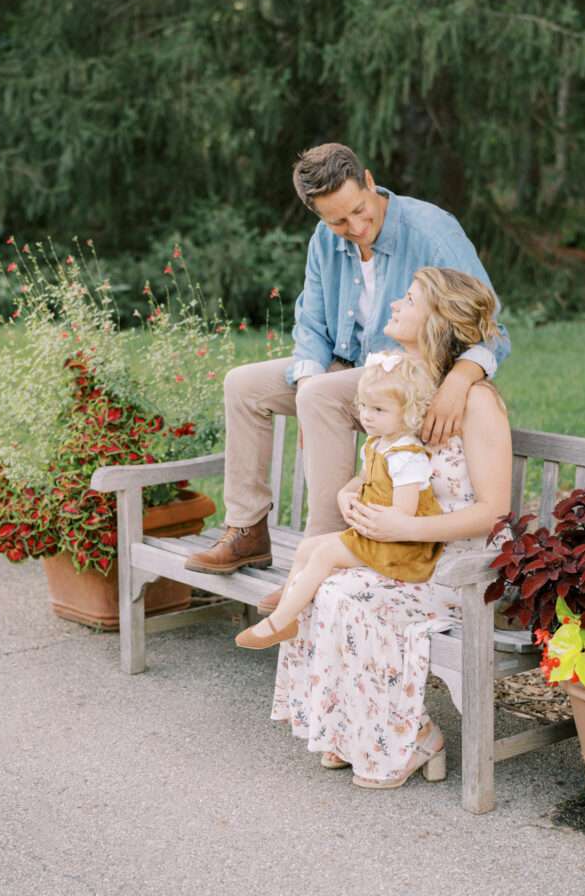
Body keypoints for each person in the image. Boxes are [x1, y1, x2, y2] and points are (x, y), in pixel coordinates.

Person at [185, 143, 510, 575]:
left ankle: (320, 556)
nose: (356, 226)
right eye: (338, 220)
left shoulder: (432, 231)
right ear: (318, 215)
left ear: (370, 182)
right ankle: (247, 531)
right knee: (244, 385)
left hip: (413, 377)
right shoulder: (324, 241)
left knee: (320, 395)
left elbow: (491, 327)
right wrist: (304, 385)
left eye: (360, 209)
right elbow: (311, 326)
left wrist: (458, 380)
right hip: (353, 373)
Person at [271, 266, 512, 790]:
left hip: (460, 565)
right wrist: (352, 489)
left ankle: (414, 737)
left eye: (410, 298)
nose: (396, 303)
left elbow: (494, 512)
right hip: (406, 550)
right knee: (324, 585)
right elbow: (388, 461)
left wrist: (405, 525)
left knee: (351, 597)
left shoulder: (477, 402)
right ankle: (352, 730)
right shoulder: (403, 383)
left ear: (439, 320)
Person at [234, 351, 444, 650]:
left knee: (324, 555)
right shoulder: (377, 443)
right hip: (375, 535)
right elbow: (364, 479)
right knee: (307, 547)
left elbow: (404, 514)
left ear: (408, 412)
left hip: (401, 548)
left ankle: (276, 623)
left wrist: (364, 518)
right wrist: (347, 493)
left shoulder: (407, 456)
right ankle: (288, 612)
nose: (367, 416)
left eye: (379, 409)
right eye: (364, 406)